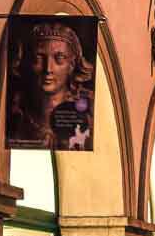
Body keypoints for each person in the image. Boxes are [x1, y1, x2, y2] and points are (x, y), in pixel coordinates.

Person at [8, 20, 95, 149]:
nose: (48, 69)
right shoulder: (15, 113)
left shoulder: (88, 114)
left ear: (71, 65)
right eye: (39, 58)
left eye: (59, 59)